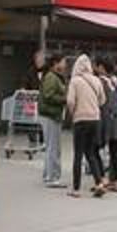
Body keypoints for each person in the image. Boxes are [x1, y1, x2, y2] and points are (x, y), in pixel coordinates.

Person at [64, 54, 107, 198]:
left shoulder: (75, 81)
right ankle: (99, 183)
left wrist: (73, 113)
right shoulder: (96, 80)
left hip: (80, 120)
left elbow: (70, 101)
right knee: (91, 153)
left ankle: (76, 189)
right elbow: (102, 100)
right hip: (95, 120)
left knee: (78, 154)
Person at [94, 59, 117, 191]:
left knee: (93, 149)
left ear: (101, 67)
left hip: (105, 119)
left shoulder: (100, 82)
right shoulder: (114, 81)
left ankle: (102, 177)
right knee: (115, 151)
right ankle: (116, 181)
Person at [37, 53, 67, 188]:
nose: (65, 65)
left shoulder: (54, 76)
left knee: (51, 146)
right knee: (53, 147)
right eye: (63, 62)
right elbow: (48, 95)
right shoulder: (51, 77)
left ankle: (48, 175)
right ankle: (52, 177)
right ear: (56, 63)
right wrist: (64, 99)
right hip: (50, 115)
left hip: (51, 115)